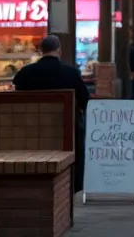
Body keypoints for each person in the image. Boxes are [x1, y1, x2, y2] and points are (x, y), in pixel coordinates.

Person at [13, 36, 91, 190]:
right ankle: (73, 186)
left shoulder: (26, 73)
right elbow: (84, 99)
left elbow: (17, 95)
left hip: (33, 128)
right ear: (59, 50)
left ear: (41, 50)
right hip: (67, 129)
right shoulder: (71, 73)